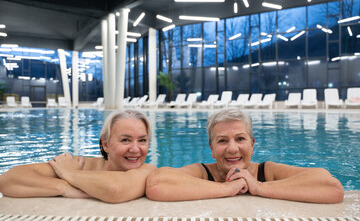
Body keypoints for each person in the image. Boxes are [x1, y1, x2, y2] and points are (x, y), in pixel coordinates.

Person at [146, 108, 344, 203]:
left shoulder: (268, 171)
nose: (232, 149)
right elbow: (157, 183)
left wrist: (258, 187)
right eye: (222, 141)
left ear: (252, 144)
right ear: (211, 148)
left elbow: (332, 187)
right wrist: (226, 188)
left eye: (240, 139)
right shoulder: (202, 172)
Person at [0, 109, 156, 203]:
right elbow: (7, 180)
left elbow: (114, 189)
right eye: (125, 140)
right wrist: (64, 187)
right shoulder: (81, 163)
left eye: (142, 140)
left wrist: (70, 174)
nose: (135, 149)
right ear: (105, 145)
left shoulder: (147, 171)